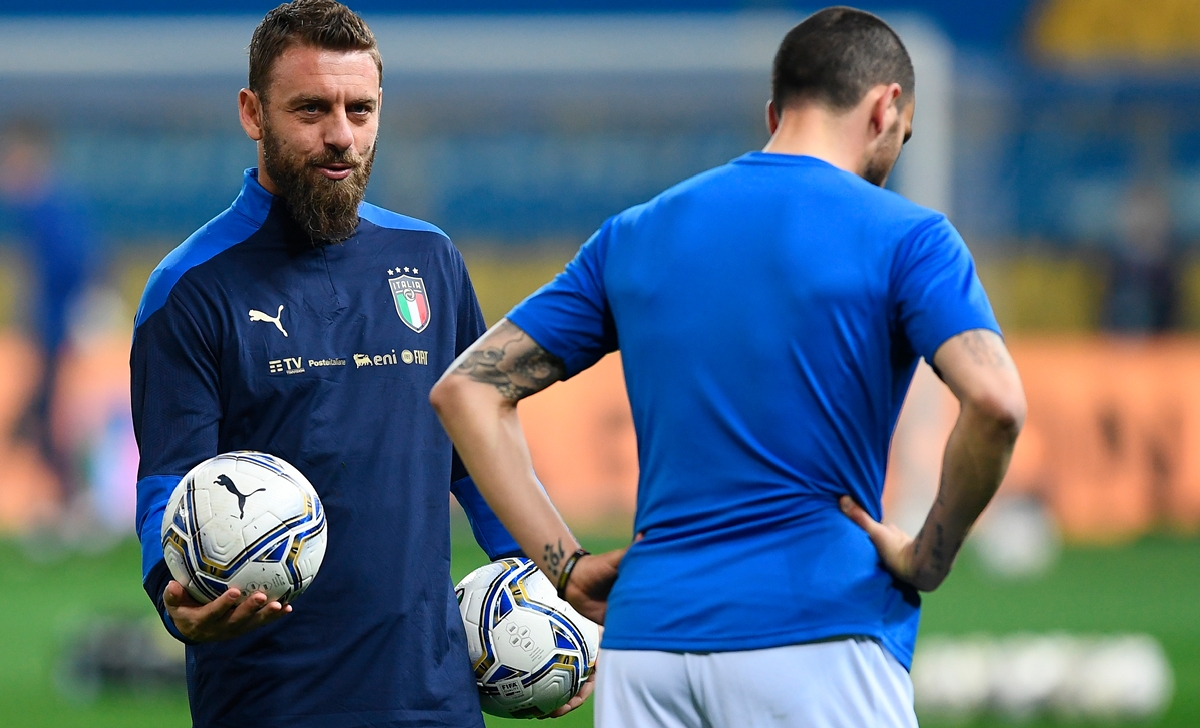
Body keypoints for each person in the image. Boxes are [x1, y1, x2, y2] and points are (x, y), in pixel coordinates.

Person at [430, 7, 1026, 728]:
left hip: (648, 648)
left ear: (775, 113)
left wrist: (566, 567)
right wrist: (928, 557)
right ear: (886, 107)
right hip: (819, 631)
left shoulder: (636, 233)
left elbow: (466, 388)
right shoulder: (909, 236)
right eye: (905, 133)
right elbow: (996, 403)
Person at [130, 2, 539, 726]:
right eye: (311, 109)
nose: (341, 135)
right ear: (253, 113)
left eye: (360, 109)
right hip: (272, 702)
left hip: (434, 700)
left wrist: (550, 579)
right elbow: (169, 482)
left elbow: (480, 450)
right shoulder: (189, 288)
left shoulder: (429, 259)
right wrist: (176, 594)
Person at [0, 121, 94, 506]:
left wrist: (52, 314)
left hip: (54, 328)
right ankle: (68, 496)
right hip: (50, 327)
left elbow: (72, 264)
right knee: (41, 414)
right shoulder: (43, 209)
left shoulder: (49, 208)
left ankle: (73, 496)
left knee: (44, 414)